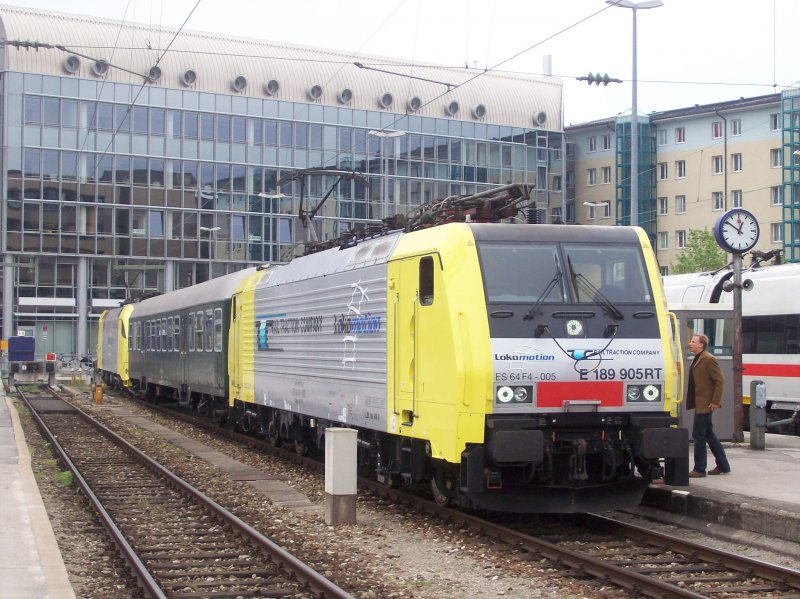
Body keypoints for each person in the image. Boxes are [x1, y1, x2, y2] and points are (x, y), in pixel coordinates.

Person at [686, 333, 731, 478]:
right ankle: (723, 465)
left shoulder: (708, 359)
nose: (690, 343)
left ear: (701, 345)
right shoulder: (698, 358)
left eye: (693, 342)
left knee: (699, 435)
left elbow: (720, 380)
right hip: (701, 403)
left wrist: (715, 402)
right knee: (709, 435)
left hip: (706, 404)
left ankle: (699, 469)